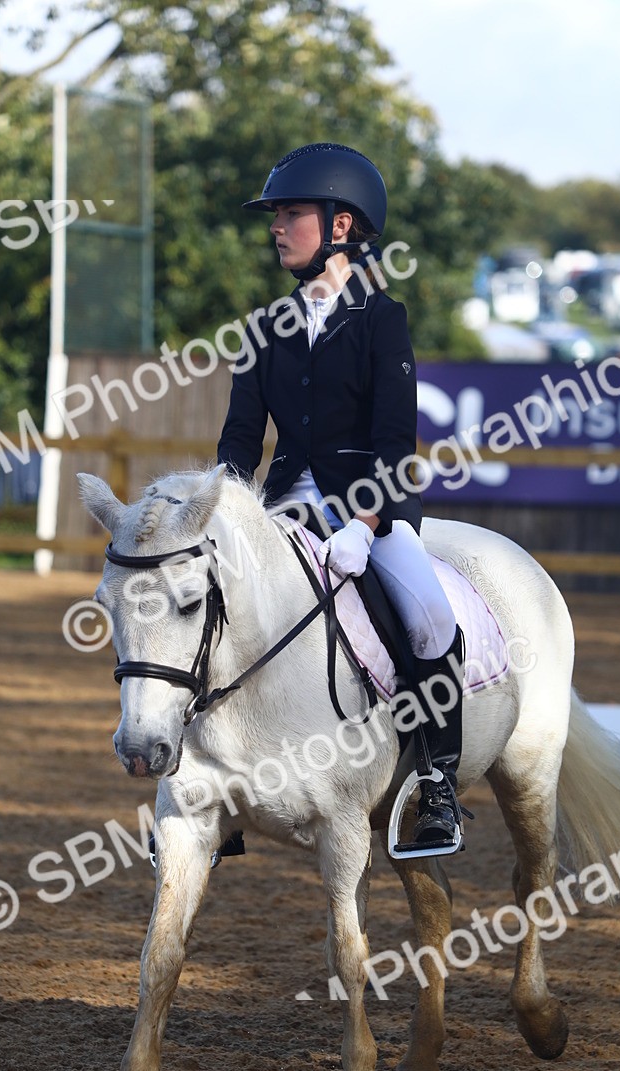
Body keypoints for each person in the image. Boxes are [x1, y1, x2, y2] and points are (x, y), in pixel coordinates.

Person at [217, 142, 466, 850]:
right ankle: (210, 785)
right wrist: (223, 512)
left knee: (428, 621)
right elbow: (238, 442)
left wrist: (366, 522)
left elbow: (394, 438)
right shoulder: (264, 330)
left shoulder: (383, 320)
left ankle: (437, 783)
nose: (276, 226)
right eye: (277, 215)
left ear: (341, 226)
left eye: (291, 213)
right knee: (207, 612)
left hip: (371, 510)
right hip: (281, 510)